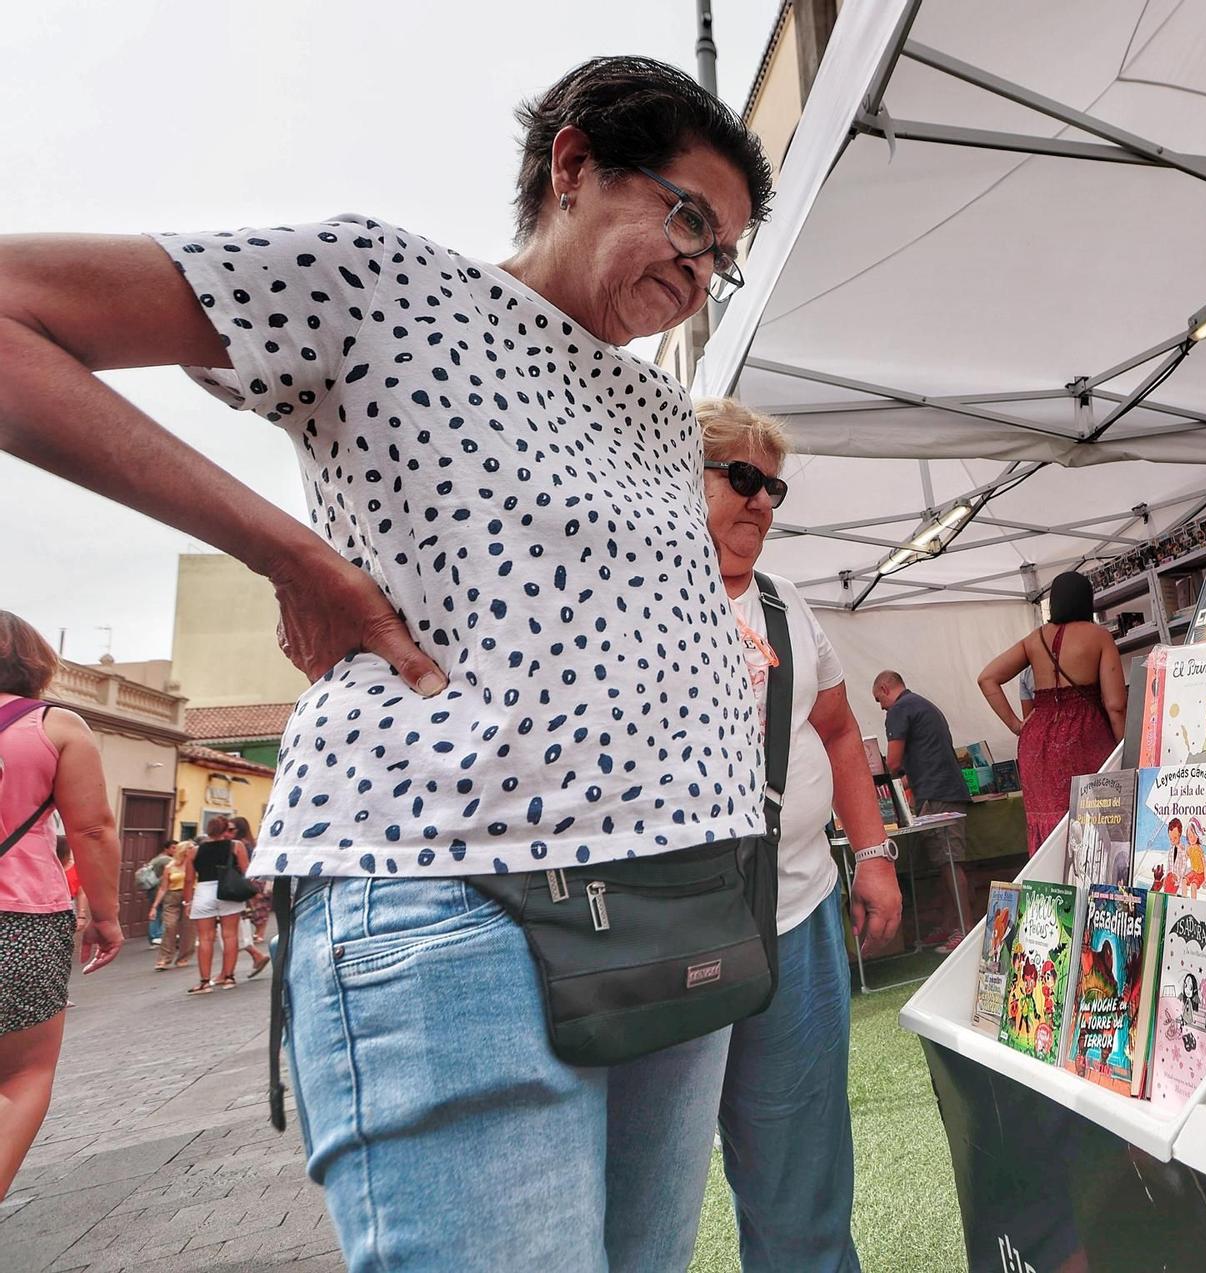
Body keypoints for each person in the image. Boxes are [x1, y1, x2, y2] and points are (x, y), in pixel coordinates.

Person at [0, 55, 774, 1267]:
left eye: (720, 251)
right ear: (571, 164)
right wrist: (291, 555)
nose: (699, 265)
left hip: (680, 907)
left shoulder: (666, 415)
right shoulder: (383, 279)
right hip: (462, 913)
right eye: (687, 215)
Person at [697, 397, 901, 1273]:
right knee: (641, 1195)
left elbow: (841, 730)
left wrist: (878, 854)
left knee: (802, 1178)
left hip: (797, 912)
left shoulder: (788, 607)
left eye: (772, 486)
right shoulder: (630, 592)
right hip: (662, 933)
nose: (762, 504)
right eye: (741, 478)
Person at [0, 612, 123, 1196]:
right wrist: (105, 917)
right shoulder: (55, 726)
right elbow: (92, 830)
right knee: (23, 1075)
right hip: (20, 920)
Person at [977, 571, 1124, 853]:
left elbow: (987, 678)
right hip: (1085, 735)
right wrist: (1124, 750)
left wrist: (1016, 725)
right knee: (1097, 816)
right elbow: (1115, 705)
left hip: (1037, 740)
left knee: (1046, 822)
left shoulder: (1034, 640)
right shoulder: (1099, 637)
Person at [872, 671, 974, 946]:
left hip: (937, 793)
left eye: (878, 699)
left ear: (885, 687)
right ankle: (951, 924)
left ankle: (965, 929)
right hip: (943, 789)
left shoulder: (899, 710)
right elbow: (918, 760)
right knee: (944, 861)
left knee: (950, 861)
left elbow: (892, 763)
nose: (880, 706)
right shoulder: (922, 705)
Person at [184, 815, 262, 994]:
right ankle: (229, 977)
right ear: (226, 830)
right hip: (228, 890)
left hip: (204, 891)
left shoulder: (194, 851)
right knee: (230, 935)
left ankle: (204, 982)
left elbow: (189, 879)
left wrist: (187, 901)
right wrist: (252, 894)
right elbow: (246, 871)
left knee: (205, 938)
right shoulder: (236, 846)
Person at [231, 815, 272, 966]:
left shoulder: (241, 845)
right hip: (249, 881)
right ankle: (255, 946)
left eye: (232, 828)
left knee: (250, 912)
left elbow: (246, 866)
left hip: (243, 881)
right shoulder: (249, 843)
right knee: (250, 913)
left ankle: (256, 943)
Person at [150, 841, 195, 970]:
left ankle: (184, 956)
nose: (193, 851)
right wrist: (154, 906)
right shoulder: (170, 866)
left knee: (188, 928)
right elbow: (163, 888)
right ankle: (164, 959)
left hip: (191, 894)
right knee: (170, 926)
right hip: (172, 896)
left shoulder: (195, 865)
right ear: (184, 851)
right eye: (190, 849)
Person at [136, 844, 173, 945]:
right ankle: (159, 935)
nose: (175, 850)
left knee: (155, 912)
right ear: (167, 848)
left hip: (152, 889)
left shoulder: (155, 859)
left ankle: (153, 936)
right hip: (161, 889)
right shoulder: (167, 860)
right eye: (173, 848)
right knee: (165, 912)